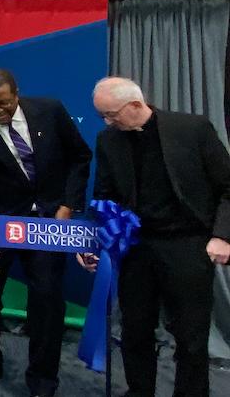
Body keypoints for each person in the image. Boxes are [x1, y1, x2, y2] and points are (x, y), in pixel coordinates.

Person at [79, 77, 230, 397]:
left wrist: (222, 237)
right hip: (135, 247)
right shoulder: (108, 140)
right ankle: (139, 391)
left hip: (187, 243)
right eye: (102, 116)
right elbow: (104, 197)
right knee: (134, 332)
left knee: (191, 337)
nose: (108, 122)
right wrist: (95, 242)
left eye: (111, 114)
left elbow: (227, 188)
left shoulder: (192, 129)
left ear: (135, 105)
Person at [0, 69, 92, 397]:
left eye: (3, 103)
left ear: (17, 93)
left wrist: (68, 206)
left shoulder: (50, 111)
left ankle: (42, 380)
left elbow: (80, 157)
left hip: (46, 222)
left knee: (47, 300)